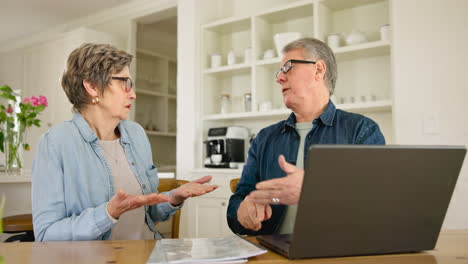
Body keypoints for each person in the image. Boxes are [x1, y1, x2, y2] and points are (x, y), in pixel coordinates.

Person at [32, 43, 217, 241]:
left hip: (149, 253)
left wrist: (173, 198)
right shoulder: (56, 143)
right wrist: (108, 213)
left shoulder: (136, 134)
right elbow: (46, 235)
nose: (133, 94)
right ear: (92, 86)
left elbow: (148, 215)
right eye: (124, 83)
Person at [227, 38, 385, 235]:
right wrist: (242, 211)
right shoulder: (264, 138)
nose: (279, 78)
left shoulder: (361, 131)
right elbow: (237, 203)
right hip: (270, 254)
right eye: (279, 72)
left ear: (318, 70)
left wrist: (314, 190)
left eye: (287, 68)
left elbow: (378, 208)